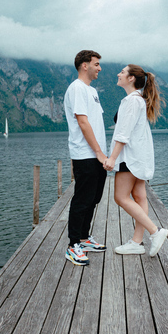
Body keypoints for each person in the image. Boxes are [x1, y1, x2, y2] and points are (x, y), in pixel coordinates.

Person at [104, 64, 168, 257]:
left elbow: (123, 134)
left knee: (120, 197)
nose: (118, 74)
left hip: (129, 157)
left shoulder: (132, 101)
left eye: (122, 72)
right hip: (138, 156)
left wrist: (112, 158)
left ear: (131, 78)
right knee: (140, 197)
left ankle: (155, 232)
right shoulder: (137, 100)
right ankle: (137, 242)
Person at [63, 50, 108, 266]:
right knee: (82, 199)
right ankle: (73, 246)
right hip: (85, 154)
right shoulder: (77, 88)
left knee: (94, 198)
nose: (100, 68)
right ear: (84, 65)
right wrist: (98, 152)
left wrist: (102, 153)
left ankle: (83, 238)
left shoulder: (91, 90)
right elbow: (82, 122)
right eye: (97, 64)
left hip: (97, 155)